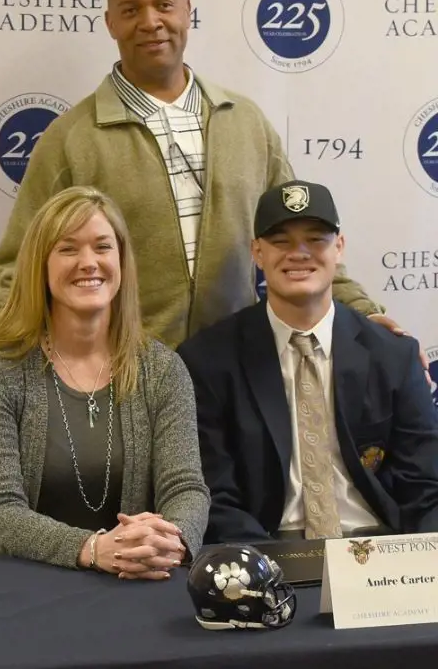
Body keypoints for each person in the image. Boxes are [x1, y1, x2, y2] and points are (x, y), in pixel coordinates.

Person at [0, 0, 426, 371]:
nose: (151, 22)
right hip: (123, 376)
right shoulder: (72, 138)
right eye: (131, 10)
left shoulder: (245, 123)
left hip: (237, 373)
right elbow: (16, 267)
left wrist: (367, 315)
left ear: (187, 10)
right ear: (110, 22)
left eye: (164, 5)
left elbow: (299, 240)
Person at [0, 186, 210, 580]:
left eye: (102, 247)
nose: (88, 262)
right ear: (40, 265)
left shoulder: (164, 370)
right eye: (68, 249)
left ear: (121, 261)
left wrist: (172, 541)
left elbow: (186, 487)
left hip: (125, 580)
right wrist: (93, 549)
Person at [177, 180, 438, 545]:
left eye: (316, 239)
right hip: (267, 551)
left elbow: (426, 486)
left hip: (378, 549)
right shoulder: (207, 361)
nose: (298, 253)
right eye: (281, 241)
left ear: (339, 248)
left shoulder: (393, 355)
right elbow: (214, 496)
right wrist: (268, 571)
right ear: (257, 252)